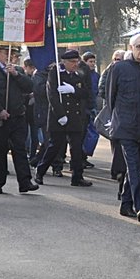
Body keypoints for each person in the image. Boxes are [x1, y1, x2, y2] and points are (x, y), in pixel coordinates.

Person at [102, 33, 140, 221]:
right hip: (126, 126)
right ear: (131, 47)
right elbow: (110, 97)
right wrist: (116, 119)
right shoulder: (119, 69)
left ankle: (125, 203)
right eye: (139, 47)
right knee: (135, 167)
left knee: (134, 167)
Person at [0, 44, 39, 195]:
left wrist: (16, 74)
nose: (11, 57)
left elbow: (29, 87)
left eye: (13, 54)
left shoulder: (18, 70)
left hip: (18, 116)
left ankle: (25, 182)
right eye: (8, 53)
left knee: (20, 149)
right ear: (0, 54)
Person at [35, 49, 94, 186]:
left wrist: (73, 90)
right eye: (72, 62)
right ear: (64, 62)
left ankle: (77, 177)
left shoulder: (79, 74)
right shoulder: (55, 73)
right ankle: (40, 171)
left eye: (76, 61)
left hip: (75, 116)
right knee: (54, 147)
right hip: (59, 116)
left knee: (77, 148)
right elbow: (52, 96)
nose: (75, 64)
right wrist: (61, 115)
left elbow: (86, 92)